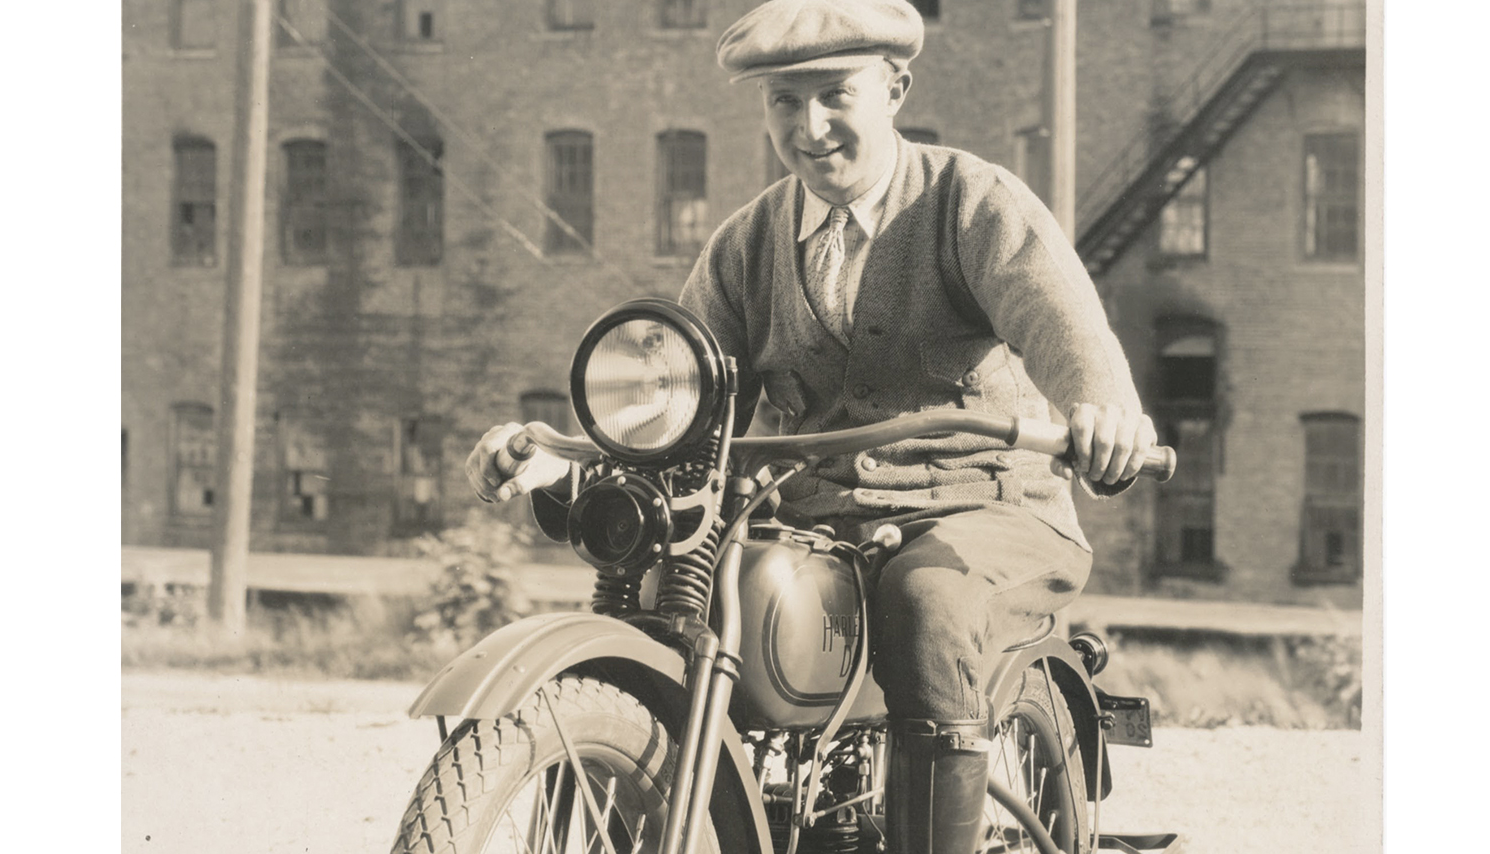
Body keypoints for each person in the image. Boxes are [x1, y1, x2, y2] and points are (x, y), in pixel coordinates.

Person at [467, 2, 1158, 852]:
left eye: (835, 94)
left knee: (926, 600)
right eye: (784, 102)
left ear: (894, 87)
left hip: (987, 513)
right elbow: (677, 408)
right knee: (683, 584)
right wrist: (562, 457)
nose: (810, 126)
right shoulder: (746, 244)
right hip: (817, 522)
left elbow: (1063, 325)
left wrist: (1106, 412)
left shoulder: (971, 202)